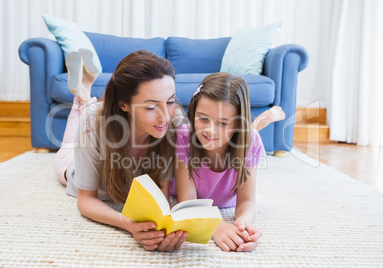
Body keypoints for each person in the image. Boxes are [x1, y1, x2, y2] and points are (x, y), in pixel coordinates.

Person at [54, 49, 187, 252]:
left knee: (89, 113)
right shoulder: (92, 124)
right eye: (151, 107)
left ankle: (84, 91)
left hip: (100, 118)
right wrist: (128, 225)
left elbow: (162, 190)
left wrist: (163, 229)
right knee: (80, 124)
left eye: (169, 101)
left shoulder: (174, 122)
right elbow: (86, 200)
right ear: (124, 105)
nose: (165, 117)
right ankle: (80, 97)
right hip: (70, 164)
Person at [170, 72, 285, 252]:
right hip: (195, 192)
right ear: (193, 113)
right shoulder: (184, 135)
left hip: (243, 137)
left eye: (223, 123)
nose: (210, 130)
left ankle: (267, 117)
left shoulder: (249, 140)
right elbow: (188, 202)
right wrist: (216, 226)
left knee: (252, 132)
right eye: (202, 118)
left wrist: (243, 224)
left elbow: (247, 201)